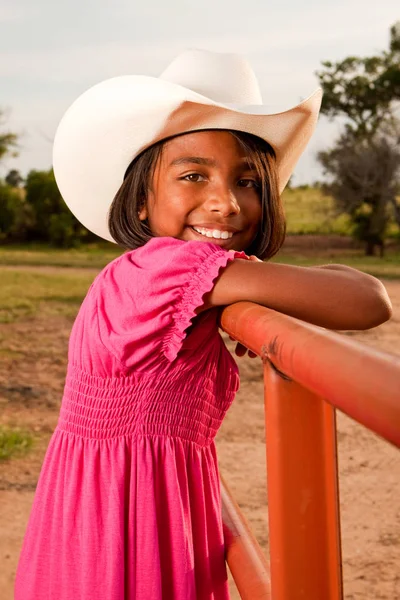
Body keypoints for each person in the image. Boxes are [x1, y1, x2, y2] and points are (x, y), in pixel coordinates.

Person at [15, 49, 392, 600]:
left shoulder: (137, 274)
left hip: (92, 512)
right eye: (194, 175)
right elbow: (368, 299)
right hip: (134, 523)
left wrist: (250, 279)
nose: (226, 203)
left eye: (248, 183)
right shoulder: (177, 269)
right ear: (141, 199)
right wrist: (253, 280)